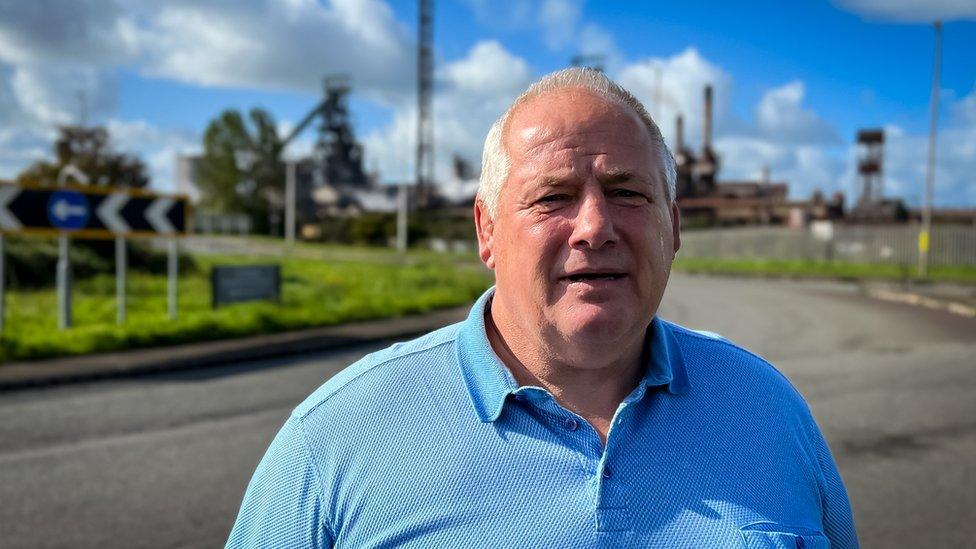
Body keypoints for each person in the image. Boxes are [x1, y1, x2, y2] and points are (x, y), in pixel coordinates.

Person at [226, 68, 858, 548]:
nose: (595, 226)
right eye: (552, 196)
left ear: (673, 222)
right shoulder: (339, 437)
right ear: (488, 229)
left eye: (626, 191)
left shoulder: (767, 409)